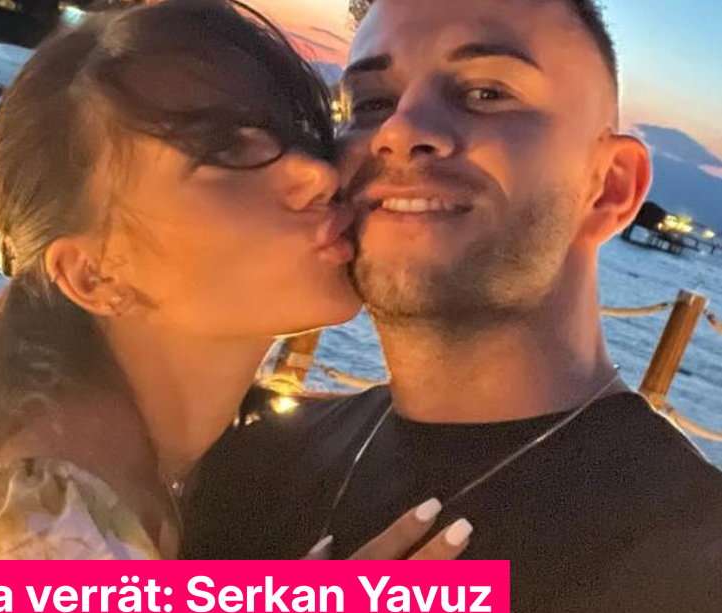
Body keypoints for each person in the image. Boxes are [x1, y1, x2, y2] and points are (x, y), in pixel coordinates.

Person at [0, 0, 468, 600]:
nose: (317, 172)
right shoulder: (46, 538)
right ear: (94, 275)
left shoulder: (91, 474)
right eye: (224, 152)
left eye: (294, 134)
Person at [182, 0, 722, 610]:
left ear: (608, 188)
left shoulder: (694, 562)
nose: (397, 131)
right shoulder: (247, 458)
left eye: (487, 93)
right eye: (371, 104)